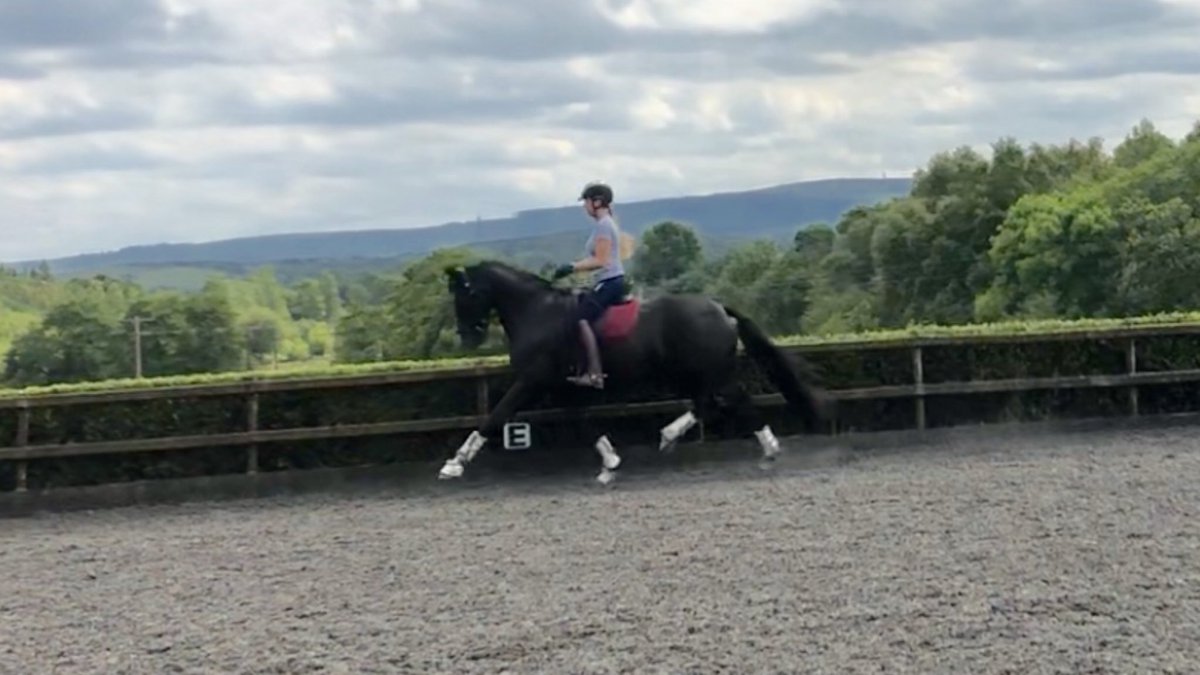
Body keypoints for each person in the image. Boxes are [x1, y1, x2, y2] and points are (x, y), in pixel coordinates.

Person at [552, 181, 628, 389]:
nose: (584, 207)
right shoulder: (604, 223)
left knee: (581, 318)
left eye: (586, 202)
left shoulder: (604, 225)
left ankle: (594, 373)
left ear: (597, 202)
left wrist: (571, 267)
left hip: (610, 281)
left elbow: (601, 261)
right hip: (607, 280)